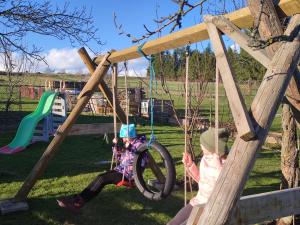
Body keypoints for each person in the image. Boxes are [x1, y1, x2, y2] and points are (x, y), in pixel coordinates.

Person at [57, 124, 147, 213]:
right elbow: (120, 158)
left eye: (123, 137)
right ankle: (77, 200)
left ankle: (78, 203)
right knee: (100, 177)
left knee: (102, 179)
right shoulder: (129, 143)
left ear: (129, 136)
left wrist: (129, 148)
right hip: (121, 171)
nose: (122, 139)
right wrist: (116, 148)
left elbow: (138, 158)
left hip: (129, 175)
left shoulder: (140, 144)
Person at [167, 127, 229, 225]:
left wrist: (218, 167)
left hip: (210, 208)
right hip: (198, 201)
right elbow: (202, 179)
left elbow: (225, 184)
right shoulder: (205, 159)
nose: (201, 146)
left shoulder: (225, 164)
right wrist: (190, 165)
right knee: (173, 223)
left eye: (203, 144)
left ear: (211, 147)